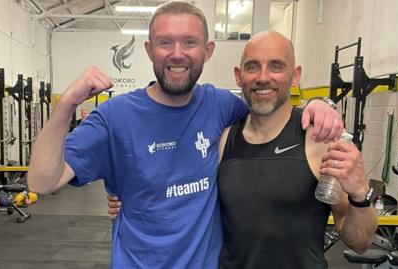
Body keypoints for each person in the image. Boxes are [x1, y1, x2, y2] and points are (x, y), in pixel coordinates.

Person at [28, 2, 344, 268]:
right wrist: (66, 104)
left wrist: (319, 106)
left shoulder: (221, 106)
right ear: (150, 50)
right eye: (166, 43)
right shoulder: (114, 117)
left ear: (207, 51)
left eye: (189, 43)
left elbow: (269, 105)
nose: (177, 54)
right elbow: (42, 182)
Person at [107, 30, 378, 268]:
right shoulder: (224, 138)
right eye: (252, 67)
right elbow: (181, 182)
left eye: (275, 66)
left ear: (295, 76)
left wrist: (359, 196)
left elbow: (360, 242)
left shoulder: (319, 139)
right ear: (239, 76)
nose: (262, 77)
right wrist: (131, 197)